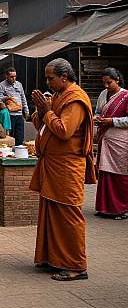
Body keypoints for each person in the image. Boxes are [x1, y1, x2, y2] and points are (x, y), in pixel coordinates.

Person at [30, 58, 96, 281]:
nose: (48, 82)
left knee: (69, 215)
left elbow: (64, 130)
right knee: (51, 213)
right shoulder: (58, 96)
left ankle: (76, 266)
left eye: (51, 78)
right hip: (53, 165)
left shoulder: (76, 99)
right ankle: (53, 258)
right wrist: (40, 114)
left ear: (64, 77)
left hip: (67, 167)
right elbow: (48, 129)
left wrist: (47, 112)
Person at [94, 67, 128, 219]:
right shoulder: (103, 94)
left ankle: (121, 208)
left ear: (117, 80)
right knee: (105, 172)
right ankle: (105, 207)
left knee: (119, 174)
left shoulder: (125, 96)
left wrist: (112, 121)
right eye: (104, 83)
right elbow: (98, 112)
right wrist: (98, 119)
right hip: (105, 138)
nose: (106, 86)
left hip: (119, 141)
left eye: (109, 82)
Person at [0, 67, 29, 146]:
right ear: (6, 76)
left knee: (19, 137)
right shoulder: (1, 85)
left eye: (15, 76)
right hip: (9, 115)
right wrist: (7, 98)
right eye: (11, 77)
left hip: (19, 114)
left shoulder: (19, 84)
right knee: (10, 137)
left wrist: (26, 111)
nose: (13, 78)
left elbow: (23, 98)